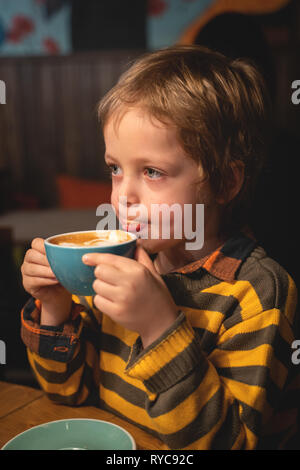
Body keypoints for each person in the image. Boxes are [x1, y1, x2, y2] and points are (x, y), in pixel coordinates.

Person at [20, 45, 299, 450]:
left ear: (224, 184)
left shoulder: (257, 293)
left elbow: (229, 444)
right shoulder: (116, 263)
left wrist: (158, 327)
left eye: (152, 172)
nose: (123, 196)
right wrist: (55, 307)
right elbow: (66, 394)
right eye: (115, 168)